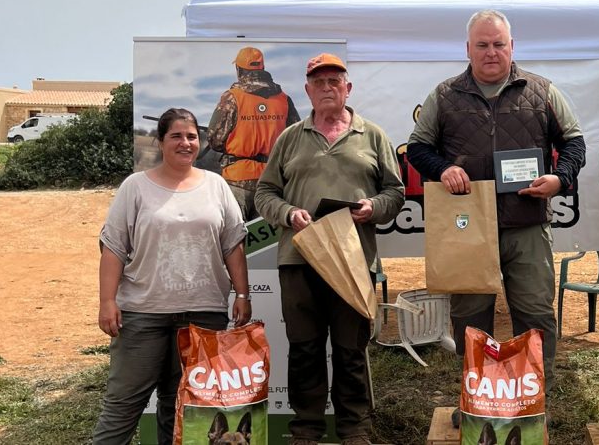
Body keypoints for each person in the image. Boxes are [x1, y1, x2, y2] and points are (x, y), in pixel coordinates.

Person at [406, 9, 586, 416]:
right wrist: (442, 169)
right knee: (470, 319)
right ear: (468, 49)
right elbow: (417, 147)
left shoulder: (542, 91)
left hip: (527, 224)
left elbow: (574, 142)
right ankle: (477, 401)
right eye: (483, 45)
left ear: (512, 46)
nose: (491, 52)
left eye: (499, 44)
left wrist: (560, 178)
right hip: (468, 228)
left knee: (536, 314)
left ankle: (531, 403)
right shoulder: (444, 95)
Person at [255, 53, 404, 445]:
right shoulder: (290, 138)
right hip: (299, 258)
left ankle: (355, 428)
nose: (326, 88)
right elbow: (265, 193)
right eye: (318, 82)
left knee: (350, 347)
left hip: (353, 260)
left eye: (334, 81)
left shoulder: (373, 136)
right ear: (307, 91)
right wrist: (288, 213)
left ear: (347, 88)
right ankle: (306, 428)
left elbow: (396, 192)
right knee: (304, 348)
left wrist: (374, 207)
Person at [93, 108, 251, 445]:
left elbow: (233, 245)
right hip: (143, 313)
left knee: (183, 407)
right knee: (123, 405)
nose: (185, 143)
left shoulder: (216, 186)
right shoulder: (135, 187)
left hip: (203, 314)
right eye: (176, 136)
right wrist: (107, 301)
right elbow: (114, 248)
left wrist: (242, 294)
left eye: (191, 136)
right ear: (160, 141)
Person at [208, 46, 301, 221]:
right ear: (262, 68)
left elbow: (215, 140)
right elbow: (296, 139)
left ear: (239, 70)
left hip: (237, 180)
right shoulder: (284, 99)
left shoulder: (231, 97)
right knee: (264, 238)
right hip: (272, 182)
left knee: (234, 235)